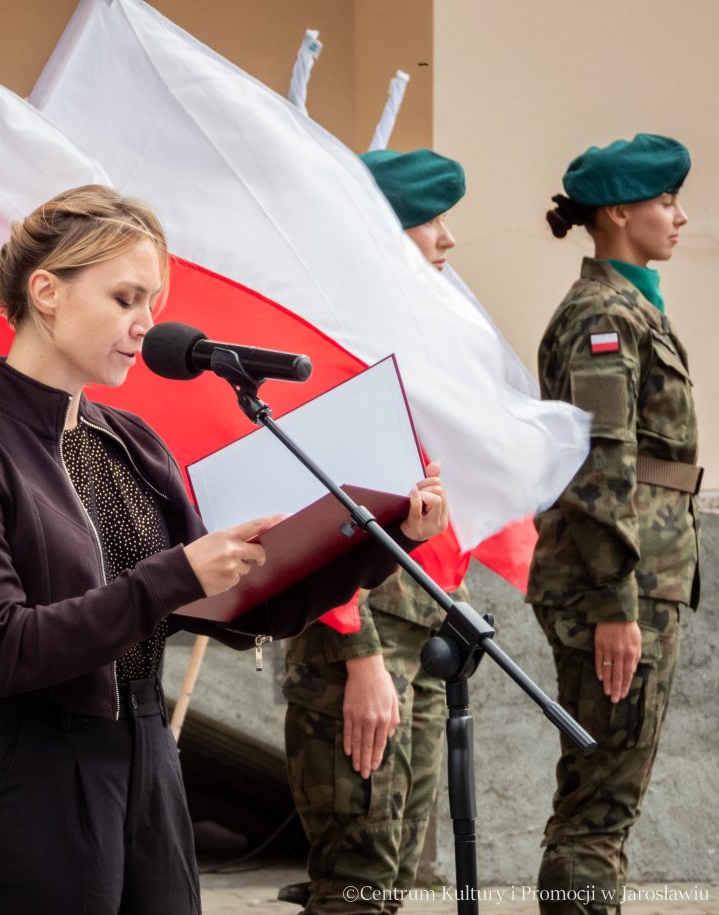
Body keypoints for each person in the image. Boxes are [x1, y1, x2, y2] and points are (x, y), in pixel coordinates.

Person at [0, 184, 450, 915]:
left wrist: (378, 539)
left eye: (152, 304)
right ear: (47, 291)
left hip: (147, 760)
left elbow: (235, 608)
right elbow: (3, 647)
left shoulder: (130, 443)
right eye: (125, 298)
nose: (144, 325)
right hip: (30, 779)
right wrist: (170, 576)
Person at [281, 149, 471, 915]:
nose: (447, 240)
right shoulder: (336, 342)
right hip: (359, 633)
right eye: (431, 221)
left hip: (416, 626)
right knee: (357, 880)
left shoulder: (405, 335)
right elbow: (316, 506)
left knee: (393, 879)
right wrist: (358, 654)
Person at [527, 134, 699, 914]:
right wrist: (614, 606)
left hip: (638, 575)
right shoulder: (604, 314)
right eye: (666, 201)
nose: (681, 216)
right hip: (616, 582)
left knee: (608, 797)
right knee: (599, 803)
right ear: (621, 211)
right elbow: (600, 465)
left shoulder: (630, 308)